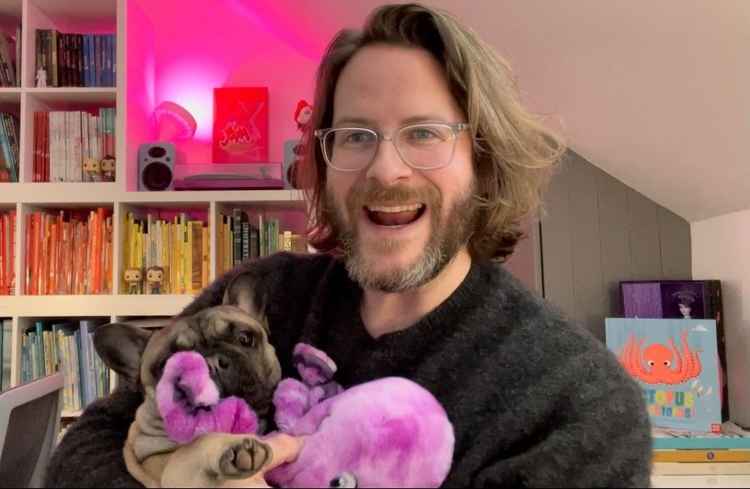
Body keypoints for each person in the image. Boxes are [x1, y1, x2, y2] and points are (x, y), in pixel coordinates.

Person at [46, 3, 651, 487]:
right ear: (324, 160)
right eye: (357, 135)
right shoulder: (263, 296)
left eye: (424, 133)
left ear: (484, 161)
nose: (386, 170)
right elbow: (85, 450)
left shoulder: (578, 403)